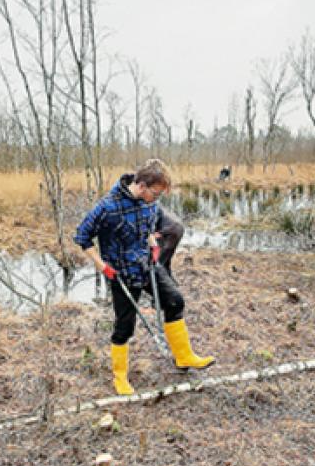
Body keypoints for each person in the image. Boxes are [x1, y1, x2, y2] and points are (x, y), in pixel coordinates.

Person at [74, 159, 215, 395]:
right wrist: (102, 266)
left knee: (174, 301)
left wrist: (152, 244)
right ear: (141, 186)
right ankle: (120, 378)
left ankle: (184, 357)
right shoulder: (108, 207)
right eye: (156, 194)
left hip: (147, 265)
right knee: (125, 326)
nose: (158, 199)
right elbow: (82, 237)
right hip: (122, 274)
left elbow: (147, 226)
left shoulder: (149, 204)